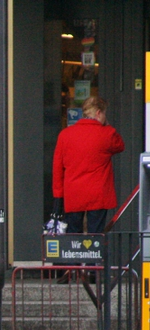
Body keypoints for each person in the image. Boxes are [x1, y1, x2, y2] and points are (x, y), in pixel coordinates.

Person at [53, 96, 125, 235]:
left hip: (73, 193)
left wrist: (58, 196)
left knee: (73, 236)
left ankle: (76, 257)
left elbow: (58, 169)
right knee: (95, 236)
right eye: (104, 114)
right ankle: (94, 255)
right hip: (98, 193)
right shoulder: (106, 134)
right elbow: (120, 145)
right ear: (99, 113)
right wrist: (107, 125)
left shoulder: (65, 135)